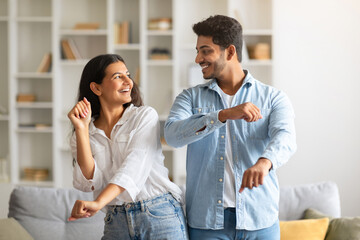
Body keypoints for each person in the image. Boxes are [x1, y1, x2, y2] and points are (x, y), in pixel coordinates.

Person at [164, 15, 297, 239]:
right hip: (206, 223)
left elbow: (286, 137)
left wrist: (265, 163)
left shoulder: (273, 98)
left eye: (206, 51)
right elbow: (172, 135)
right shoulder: (190, 97)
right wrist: (223, 115)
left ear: (230, 52)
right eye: (198, 50)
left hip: (260, 219)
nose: (198, 58)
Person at [67, 54, 188, 240]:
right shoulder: (82, 133)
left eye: (128, 75)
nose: (128, 82)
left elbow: (132, 168)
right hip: (116, 220)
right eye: (118, 77)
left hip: (159, 213)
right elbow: (90, 182)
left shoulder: (144, 116)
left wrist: (99, 202)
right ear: (96, 87)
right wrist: (82, 129)